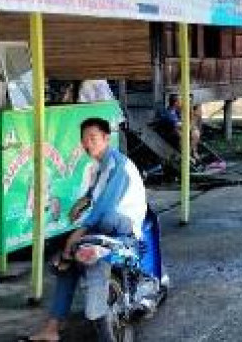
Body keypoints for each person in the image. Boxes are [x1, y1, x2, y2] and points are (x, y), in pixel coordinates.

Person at [26, 118, 147, 342]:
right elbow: (95, 193)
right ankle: (52, 327)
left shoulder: (118, 165)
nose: (87, 144)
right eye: (84, 140)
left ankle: (70, 252)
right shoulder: (102, 166)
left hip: (123, 225)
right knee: (67, 267)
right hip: (107, 227)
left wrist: (79, 231)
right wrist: (83, 201)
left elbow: (105, 207)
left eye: (93, 138)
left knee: (85, 230)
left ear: (106, 139)